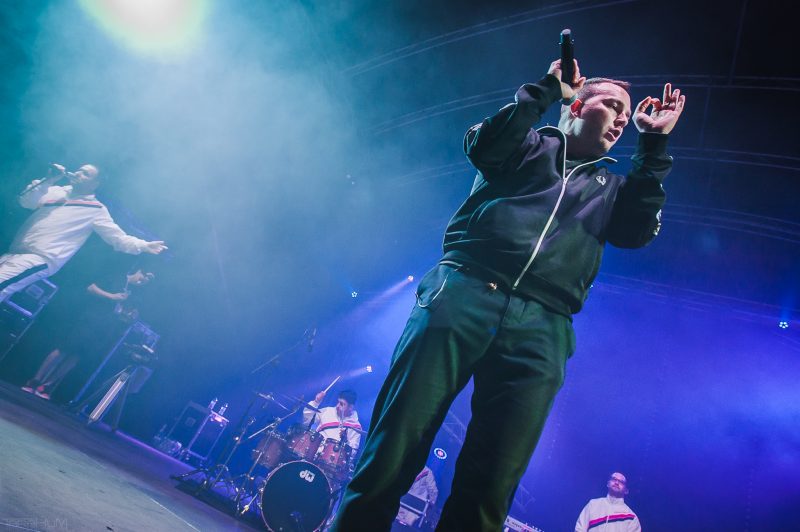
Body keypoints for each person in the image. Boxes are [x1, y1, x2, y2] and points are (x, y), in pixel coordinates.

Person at [332, 56, 685, 532]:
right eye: (613, 105)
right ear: (577, 105)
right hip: (464, 291)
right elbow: (484, 145)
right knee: (394, 445)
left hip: (544, 326)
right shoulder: (526, 144)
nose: (624, 118)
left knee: (492, 482)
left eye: (628, 113)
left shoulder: (613, 188)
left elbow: (636, 232)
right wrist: (547, 89)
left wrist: (654, 145)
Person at [0, 163, 167, 303]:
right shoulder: (56, 191)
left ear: (95, 184)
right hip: (15, 251)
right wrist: (48, 180)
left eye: (86, 174)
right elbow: (26, 202)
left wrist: (144, 245)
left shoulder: (96, 209)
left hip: (40, 258)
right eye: (79, 170)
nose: (79, 173)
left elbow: (118, 238)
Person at [21, 267, 155, 400]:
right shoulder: (118, 276)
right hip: (90, 319)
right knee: (63, 349)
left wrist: (128, 316)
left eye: (147, 281)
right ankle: (35, 380)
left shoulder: (134, 294)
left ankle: (47, 386)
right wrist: (112, 296)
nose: (143, 281)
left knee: (76, 356)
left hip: (104, 327)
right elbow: (91, 288)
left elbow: (121, 312)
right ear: (139, 270)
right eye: (144, 277)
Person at [575, 472, 641, 531]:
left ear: (626, 490)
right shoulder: (593, 504)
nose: (616, 482)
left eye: (621, 482)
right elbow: (580, 529)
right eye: (614, 479)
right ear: (608, 484)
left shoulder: (631, 517)